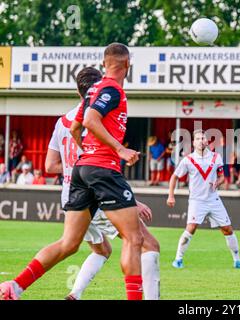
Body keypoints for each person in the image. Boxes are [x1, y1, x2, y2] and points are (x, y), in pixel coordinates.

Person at [0, 43, 145, 301]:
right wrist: (119, 149)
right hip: (103, 169)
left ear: (104, 63)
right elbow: (89, 121)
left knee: (69, 243)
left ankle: (14, 287)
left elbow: (77, 126)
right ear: (127, 65)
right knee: (134, 239)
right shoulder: (112, 89)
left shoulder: (92, 91)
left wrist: (85, 152)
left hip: (81, 171)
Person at [45, 67, 159, 300]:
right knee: (145, 244)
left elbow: (49, 166)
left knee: (100, 249)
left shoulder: (62, 122)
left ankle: (74, 294)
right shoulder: (100, 118)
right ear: (96, 90)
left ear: (78, 90)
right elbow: (100, 168)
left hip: (71, 191)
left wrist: (73, 170)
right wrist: (132, 200)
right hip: (95, 190)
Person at [167, 130, 240, 270]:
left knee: (228, 229)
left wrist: (218, 182)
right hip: (196, 201)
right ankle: (178, 259)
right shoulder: (188, 160)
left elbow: (222, 177)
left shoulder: (216, 157)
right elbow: (174, 176)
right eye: (198, 138)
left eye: (203, 138)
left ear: (207, 141)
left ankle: (237, 261)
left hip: (213, 199)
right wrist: (171, 195)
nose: (200, 140)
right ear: (193, 142)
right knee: (191, 228)